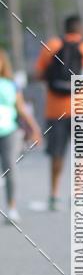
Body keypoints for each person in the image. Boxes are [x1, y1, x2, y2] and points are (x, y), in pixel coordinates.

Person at [35, 15, 83, 210]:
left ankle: (54, 194)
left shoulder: (51, 44)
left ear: (64, 28)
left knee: (56, 155)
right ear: (81, 30)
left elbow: (39, 74)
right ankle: (78, 195)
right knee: (82, 156)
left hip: (55, 110)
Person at [0, 49, 42, 224]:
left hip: (9, 131)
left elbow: (21, 109)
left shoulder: (11, 84)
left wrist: (34, 129)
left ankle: (11, 207)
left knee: (10, 168)